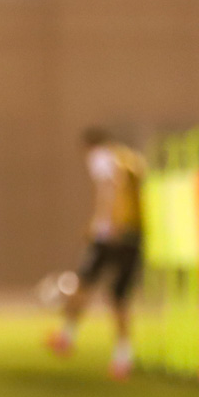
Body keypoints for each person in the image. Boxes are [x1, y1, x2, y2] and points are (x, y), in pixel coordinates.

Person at [48, 128, 145, 378]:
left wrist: (103, 221)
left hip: (110, 235)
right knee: (119, 297)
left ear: (88, 146)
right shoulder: (130, 158)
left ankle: (66, 337)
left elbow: (109, 186)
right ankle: (123, 357)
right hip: (136, 234)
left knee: (83, 284)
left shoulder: (102, 156)